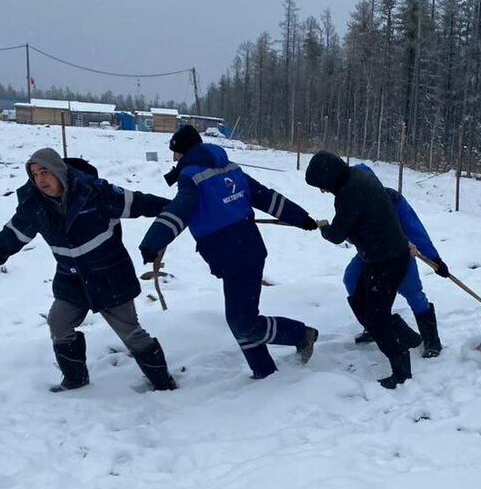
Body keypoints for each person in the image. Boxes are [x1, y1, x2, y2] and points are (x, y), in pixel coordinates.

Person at [0, 148, 177, 392]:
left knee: (130, 333)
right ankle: (75, 380)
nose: (40, 180)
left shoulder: (95, 193)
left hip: (109, 275)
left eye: (45, 172)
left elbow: (137, 202)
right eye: (34, 175)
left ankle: (163, 383)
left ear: (59, 172)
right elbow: (13, 234)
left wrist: (177, 209)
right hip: (71, 278)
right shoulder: (34, 205)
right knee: (58, 323)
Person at [139, 125, 319, 380]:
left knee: (242, 322)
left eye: (175, 153)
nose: (174, 159)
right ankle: (264, 371)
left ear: (182, 152)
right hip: (246, 250)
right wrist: (302, 218)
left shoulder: (191, 176)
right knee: (240, 318)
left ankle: (301, 335)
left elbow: (181, 209)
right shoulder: (230, 167)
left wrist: (153, 242)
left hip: (234, 256)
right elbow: (265, 197)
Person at [305, 150, 423, 389]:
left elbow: (338, 234)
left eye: (321, 185)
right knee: (360, 301)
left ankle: (401, 371)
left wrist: (324, 227)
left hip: (386, 261)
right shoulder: (357, 176)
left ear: (329, 177)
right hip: (381, 257)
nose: (323, 191)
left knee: (377, 317)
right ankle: (408, 337)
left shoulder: (350, 193)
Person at [343, 163, 449, 358]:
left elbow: (414, 228)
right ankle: (373, 326)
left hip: (399, 252)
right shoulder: (350, 200)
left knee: (412, 291)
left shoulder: (391, 199)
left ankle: (431, 340)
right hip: (368, 256)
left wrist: (435, 259)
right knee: (351, 279)